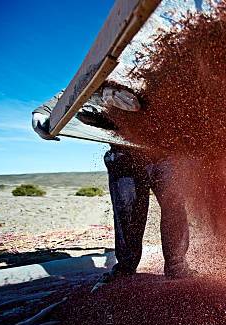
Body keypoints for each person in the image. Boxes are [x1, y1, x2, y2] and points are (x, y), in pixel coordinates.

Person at [31, 85, 192, 284]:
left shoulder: (163, 73)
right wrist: (43, 112)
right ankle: (126, 268)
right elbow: (73, 91)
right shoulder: (105, 76)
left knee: (174, 207)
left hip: (165, 152)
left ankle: (177, 266)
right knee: (127, 211)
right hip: (124, 153)